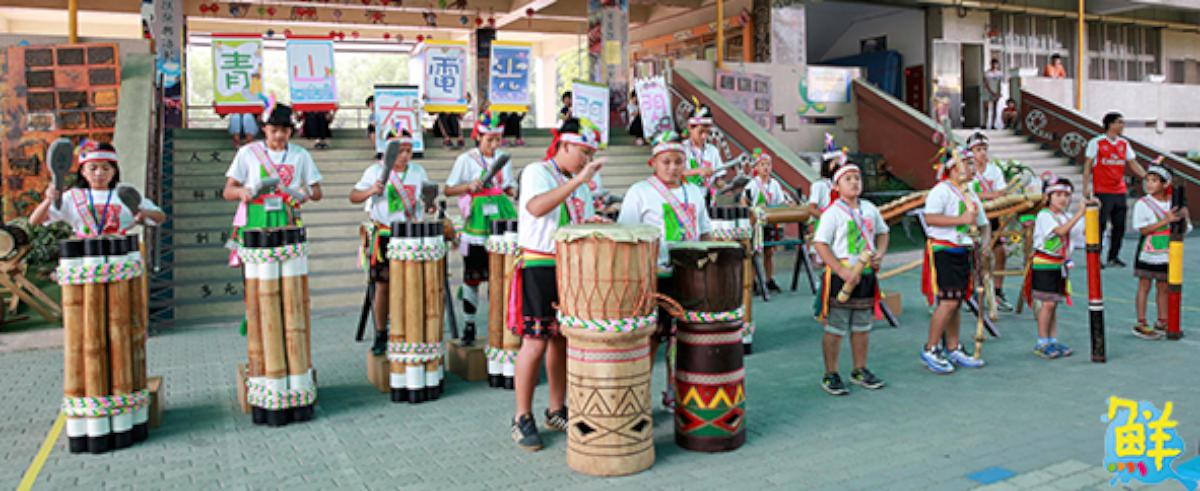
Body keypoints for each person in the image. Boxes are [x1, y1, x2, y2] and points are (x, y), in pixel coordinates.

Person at [510, 117, 604, 451]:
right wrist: (579, 181)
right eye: (582, 151)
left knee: (561, 340)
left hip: (571, 265)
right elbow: (537, 208)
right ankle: (521, 416)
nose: (586, 159)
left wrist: (591, 221)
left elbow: (574, 219)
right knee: (534, 341)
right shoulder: (538, 171)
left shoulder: (580, 183)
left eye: (590, 153)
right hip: (540, 263)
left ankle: (555, 408)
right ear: (563, 145)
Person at [617, 131, 712, 409]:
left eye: (678, 162)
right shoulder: (640, 192)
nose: (673, 167)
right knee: (652, 336)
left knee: (681, 337)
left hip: (689, 275)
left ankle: (676, 391)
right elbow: (627, 235)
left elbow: (705, 232)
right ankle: (640, 393)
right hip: (655, 276)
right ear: (653, 163)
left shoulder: (694, 192)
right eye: (666, 162)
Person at [349, 131, 433, 355]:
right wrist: (371, 190)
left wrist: (430, 204)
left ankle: (410, 328)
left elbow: (427, 197)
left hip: (411, 235)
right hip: (385, 235)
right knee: (383, 286)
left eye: (408, 150)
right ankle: (380, 333)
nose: (404, 156)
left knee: (412, 284)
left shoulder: (418, 171)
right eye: (399, 151)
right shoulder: (375, 171)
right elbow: (353, 196)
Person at [812, 163, 888, 395]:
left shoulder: (870, 209)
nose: (855, 182)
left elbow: (883, 232)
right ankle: (831, 373)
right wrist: (839, 270)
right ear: (836, 186)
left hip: (865, 275)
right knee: (836, 327)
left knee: (862, 326)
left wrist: (880, 255)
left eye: (857, 178)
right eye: (848, 179)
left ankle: (860, 369)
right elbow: (820, 244)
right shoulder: (833, 212)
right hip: (842, 275)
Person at [445, 110, 518, 345]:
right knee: (472, 277)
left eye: (497, 139)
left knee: (501, 275)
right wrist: (469, 186)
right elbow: (448, 189)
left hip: (501, 218)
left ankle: (500, 324)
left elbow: (509, 187)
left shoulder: (503, 159)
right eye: (489, 140)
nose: (494, 144)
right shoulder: (466, 159)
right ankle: (469, 325)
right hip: (476, 224)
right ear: (478, 137)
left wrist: (511, 191)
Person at [919, 149, 989, 374]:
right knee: (947, 301)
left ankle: (953, 346)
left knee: (957, 301)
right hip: (944, 249)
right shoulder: (941, 190)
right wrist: (960, 219)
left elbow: (983, 223)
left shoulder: (971, 193)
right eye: (966, 163)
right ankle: (930, 348)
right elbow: (930, 218)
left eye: (971, 163)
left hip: (964, 249)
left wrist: (985, 245)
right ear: (953, 167)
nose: (971, 167)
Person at [222, 103, 324, 256]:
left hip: (287, 216)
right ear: (264, 128)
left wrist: (307, 191)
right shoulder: (248, 152)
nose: (279, 135)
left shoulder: (300, 154)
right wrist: (241, 192)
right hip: (255, 216)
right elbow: (228, 191)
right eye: (274, 130)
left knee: (288, 271)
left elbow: (317, 192)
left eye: (285, 130)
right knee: (256, 270)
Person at [1023, 177, 1095, 358]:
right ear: (1048, 197)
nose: (1063, 199)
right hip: (1044, 264)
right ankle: (1042, 341)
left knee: (1053, 304)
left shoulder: (1066, 216)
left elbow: (1081, 233)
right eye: (1058, 195)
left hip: (1059, 265)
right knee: (1047, 304)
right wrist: (1080, 213)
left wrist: (1092, 211)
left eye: (1067, 195)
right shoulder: (1045, 215)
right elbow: (1061, 231)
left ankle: (1052, 340)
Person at [30, 141, 166, 236]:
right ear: (83, 172)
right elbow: (34, 221)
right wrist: (49, 199)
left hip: (121, 256)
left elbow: (160, 217)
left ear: (114, 171)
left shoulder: (124, 193)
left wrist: (144, 213)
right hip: (84, 259)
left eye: (106, 168)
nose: (99, 173)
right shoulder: (72, 196)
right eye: (93, 168)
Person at [1130, 165, 1192, 340]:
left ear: (1165, 184)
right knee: (1144, 285)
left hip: (1167, 250)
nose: (1149, 184)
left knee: (1163, 287)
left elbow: (1185, 229)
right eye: (1147, 180)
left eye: (1154, 180)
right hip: (1148, 250)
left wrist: (1183, 218)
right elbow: (1142, 230)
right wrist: (1166, 220)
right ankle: (1141, 322)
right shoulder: (1143, 204)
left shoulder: (1174, 202)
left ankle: (1162, 320)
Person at [1083, 112, 1148, 268]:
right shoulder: (1096, 142)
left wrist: (1148, 177)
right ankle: (1096, 258)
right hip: (1102, 191)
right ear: (1110, 124)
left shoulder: (1124, 143)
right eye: (1119, 122)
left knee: (1119, 226)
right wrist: (1086, 187)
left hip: (1119, 191)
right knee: (1101, 225)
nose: (1122, 125)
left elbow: (1133, 163)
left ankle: (1113, 256)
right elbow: (1087, 166)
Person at [966, 132, 1014, 312]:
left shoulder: (994, 170)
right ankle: (971, 292)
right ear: (970, 152)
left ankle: (998, 290)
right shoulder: (966, 170)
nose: (982, 153)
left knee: (1000, 251)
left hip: (992, 216)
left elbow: (1001, 193)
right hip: (971, 216)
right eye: (978, 149)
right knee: (972, 254)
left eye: (984, 149)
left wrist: (983, 197)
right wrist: (988, 196)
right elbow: (968, 194)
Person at [742, 149, 795, 293]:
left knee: (769, 252)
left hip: (771, 222)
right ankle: (753, 281)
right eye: (762, 165)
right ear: (756, 168)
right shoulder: (752, 184)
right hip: (757, 224)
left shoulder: (775, 184)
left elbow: (780, 202)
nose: (766, 168)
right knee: (755, 252)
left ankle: (769, 279)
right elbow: (744, 202)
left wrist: (787, 205)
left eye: (768, 165)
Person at [681, 105, 724, 195]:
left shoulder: (713, 150)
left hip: (707, 197)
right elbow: (676, 173)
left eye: (707, 132)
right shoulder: (681, 149)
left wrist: (721, 183)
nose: (704, 136)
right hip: (686, 197)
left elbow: (718, 176)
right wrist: (699, 170)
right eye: (700, 132)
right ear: (690, 128)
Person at [983, 59, 1004, 130]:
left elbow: (1000, 84)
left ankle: (993, 124)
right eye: (993, 64)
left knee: (995, 108)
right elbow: (986, 84)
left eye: (996, 64)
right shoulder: (987, 73)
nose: (994, 65)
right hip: (987, 92)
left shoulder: (1000, 73)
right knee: (986, 108)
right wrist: (991, 91)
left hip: (996, 92)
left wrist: (999, 92)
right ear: (991, 64)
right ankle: (984, 123)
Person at [365, 95, 380, 160]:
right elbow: (372, 124)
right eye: (370, 104)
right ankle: (378, 150)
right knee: (371, 128)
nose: (372, 105)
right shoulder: (371, 116)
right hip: (378, 130)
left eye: (373, 103)